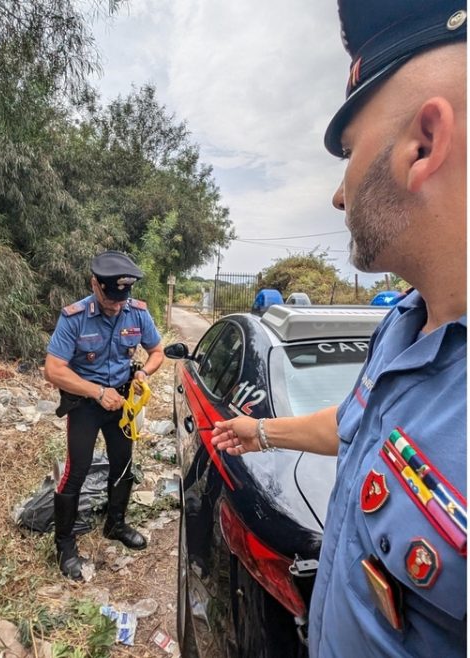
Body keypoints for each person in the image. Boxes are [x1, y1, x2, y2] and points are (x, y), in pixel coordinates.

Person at [210, 1, 466, 655]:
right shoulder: (404, 326)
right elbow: (358, 425)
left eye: (349, 153)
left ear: (423, 144)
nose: (337, 195)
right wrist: (260, 431)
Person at [44, 250, 165, 580]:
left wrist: (144, 375)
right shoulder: (74, 318)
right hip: (85, 405)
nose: (115, 306)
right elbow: (53, 370)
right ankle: (65, 544)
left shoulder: (136, 312)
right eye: (110, 297)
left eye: (121, 299)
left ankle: (116, 524)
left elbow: (157, 351)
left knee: (123, 465)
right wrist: (96, 392)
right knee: (76, 471)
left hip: (122, 404)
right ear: (94, 284)